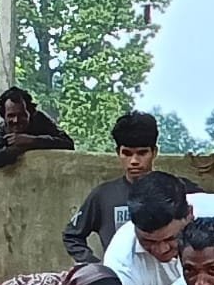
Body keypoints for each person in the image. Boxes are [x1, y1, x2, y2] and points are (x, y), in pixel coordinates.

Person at [63, 111, 201, 263]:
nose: (134, 161)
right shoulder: (103, 196)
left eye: (142, 153)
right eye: (127, 153)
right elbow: (72, 236)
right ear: (118, 153)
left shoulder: (180, 190)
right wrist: (97, 268)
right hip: (122, 280)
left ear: (154, 152)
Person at [0, 86, 74, 168]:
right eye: (11, 116)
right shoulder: (0, 130)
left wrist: (32, 141)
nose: (16, 120)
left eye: (21, 115)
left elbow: (68, 144)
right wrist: (17, 148)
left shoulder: (40, 120)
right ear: (3, 116)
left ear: (30, 113)